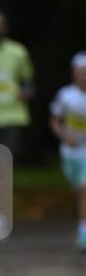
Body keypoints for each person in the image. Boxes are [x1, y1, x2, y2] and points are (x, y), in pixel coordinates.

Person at [0, 8, 33, 159]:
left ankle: (3, 182)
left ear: (5, 27)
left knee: (5, 158)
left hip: (11, 115)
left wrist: (26, 92)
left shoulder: (18, 52)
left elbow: (28, 81)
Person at [49, 51, 86, 251]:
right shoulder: (66, 95)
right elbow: (54, 121)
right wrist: (64, 136)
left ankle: (83, 233)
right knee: (77, 189)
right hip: (69, 153)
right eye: (81, 71)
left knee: (84, 190)